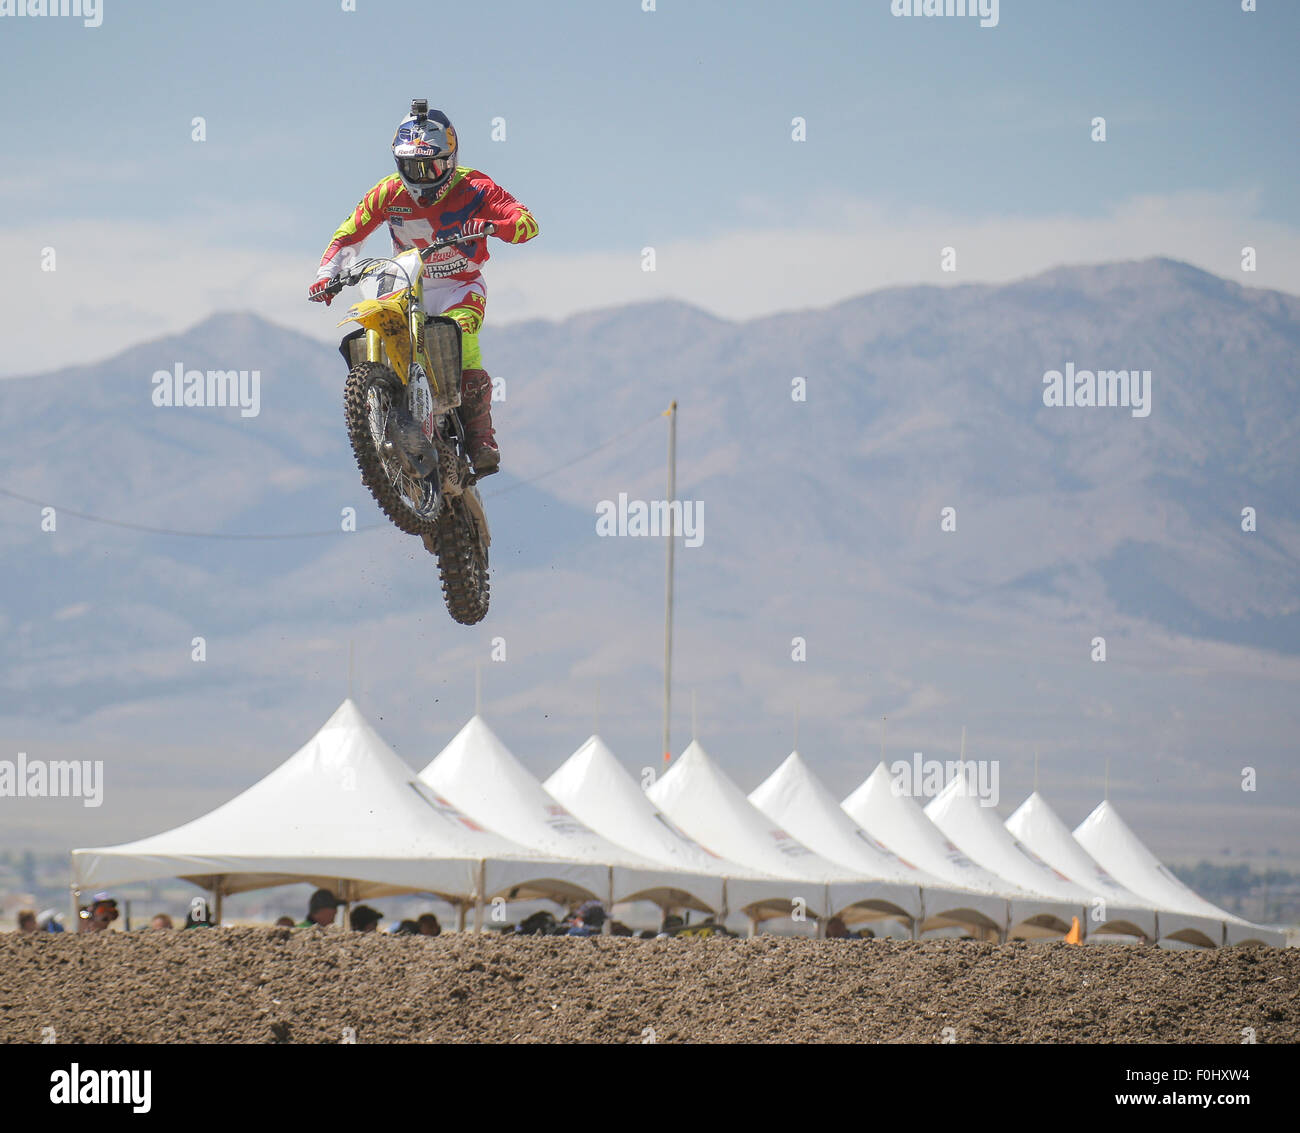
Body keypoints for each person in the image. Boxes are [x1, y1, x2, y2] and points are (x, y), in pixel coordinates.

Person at [308, 99, 540, 475]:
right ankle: (381, 410)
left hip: (459, 284)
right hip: (405, 281)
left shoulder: (476, 187)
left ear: (450, 159)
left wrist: (499, 226)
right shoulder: (386, 194)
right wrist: (327, 274)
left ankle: (481, 437)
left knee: (460, 335)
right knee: (373, 324)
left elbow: (527, 222)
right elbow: (349, 234)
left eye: (430, 165)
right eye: (410, 165)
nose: (421, 175)